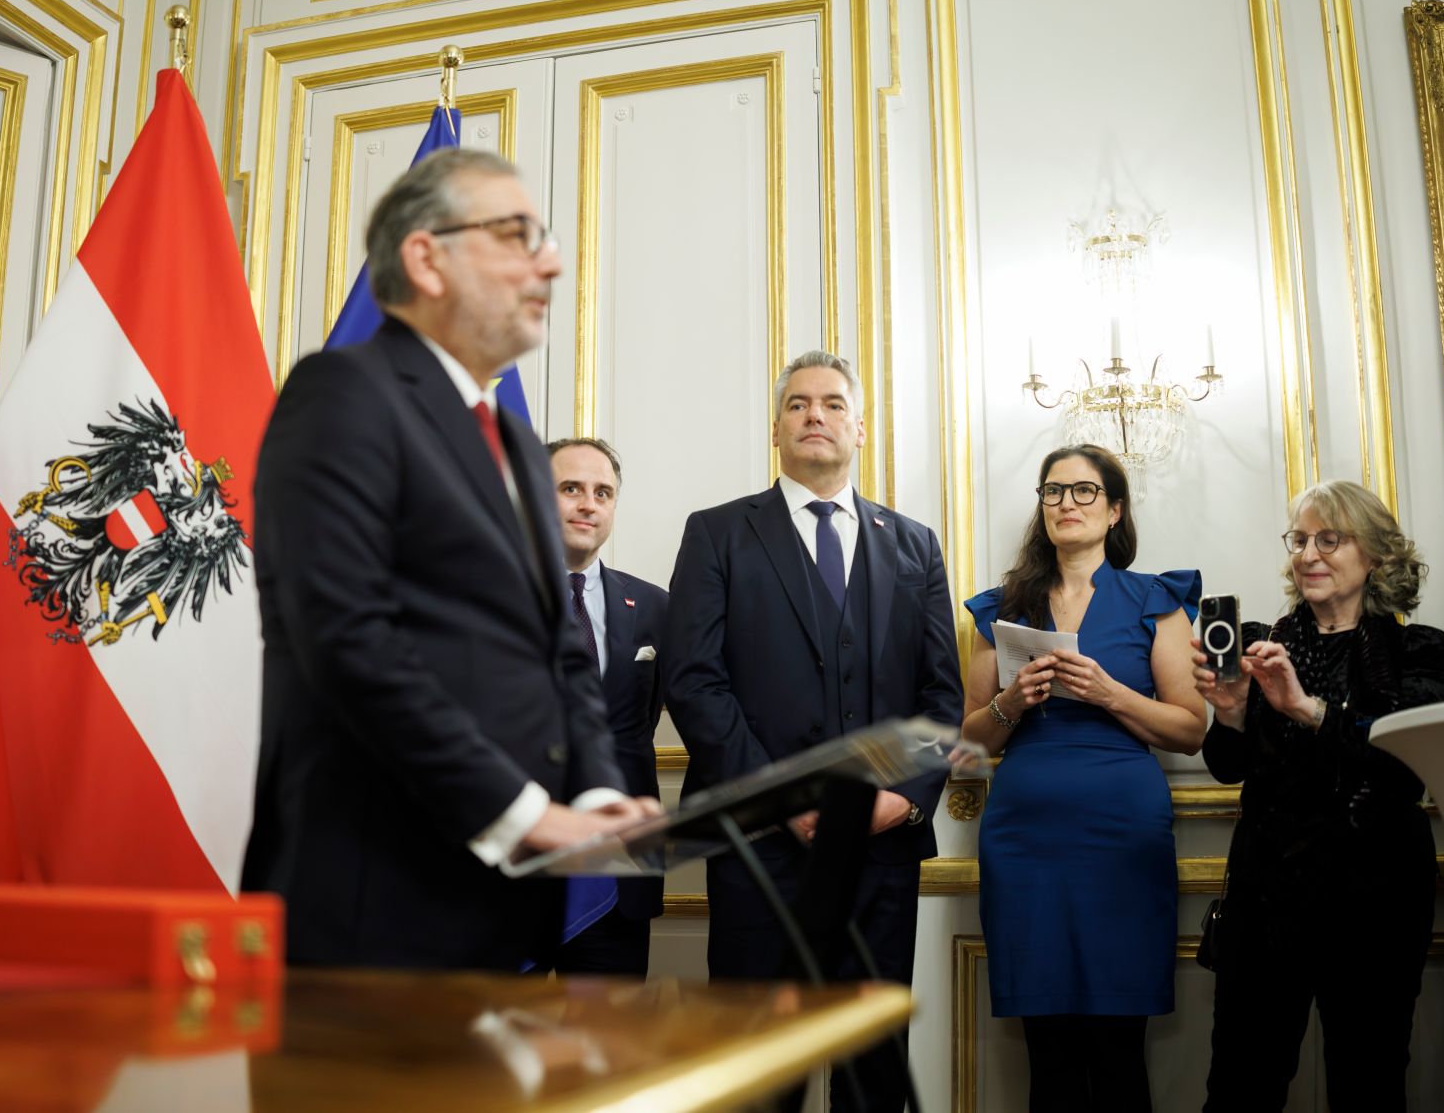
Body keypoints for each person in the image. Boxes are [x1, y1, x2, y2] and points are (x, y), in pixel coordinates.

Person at [240, 149, 658, 971]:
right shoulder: (341, 393)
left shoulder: (510, 440)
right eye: (516, 235)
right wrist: (526, 813)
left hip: (509, 906)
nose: (552, 260)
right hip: (375, 901)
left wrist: (599, 795)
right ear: (427, 257)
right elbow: (348, 640)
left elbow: (564, 652)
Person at [663, 349, 962, 1111]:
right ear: (775, 428)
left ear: (860, 427)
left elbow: (940, 694)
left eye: (832, 403)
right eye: (798, 404)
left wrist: (907, 797)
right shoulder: (717, 533)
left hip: (881, 852)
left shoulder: (916, 544)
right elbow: (693, 682)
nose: (815, 416)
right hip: (761, 853)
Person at [959, 443, 1205, 1113]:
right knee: (1050, 1049)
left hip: (1122, 839)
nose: (1066, 503)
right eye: (1053, 492)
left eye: (1084, 491)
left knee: (1120, 1044)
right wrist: (1012, 702)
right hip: (1027, 840)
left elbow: (1191, 728)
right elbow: (969, 738)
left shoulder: (1157, 600)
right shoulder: (1002, 609)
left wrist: (1107, 692)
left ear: (1115, 509)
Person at [1193, 480, 1444, 1111]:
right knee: (1240, 1086)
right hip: (1266, 899)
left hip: (1378, 901)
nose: (1308, 553)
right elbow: (1229, 769)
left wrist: (1306, 709)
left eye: (1329, 539)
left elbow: (1403, 772)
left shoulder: (1422, 650)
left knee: (1369, 1081)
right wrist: (1229, 712)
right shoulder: (1262, 642)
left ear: (1376, 556)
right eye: (1300, 539)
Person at [544, 437, 669, 976]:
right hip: (513, 856)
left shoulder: (655, 607)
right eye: (570, 488)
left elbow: (648, 715)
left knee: (609, 1053)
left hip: (616, 866)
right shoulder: (487, 599)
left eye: (603, 492)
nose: (587, 504)